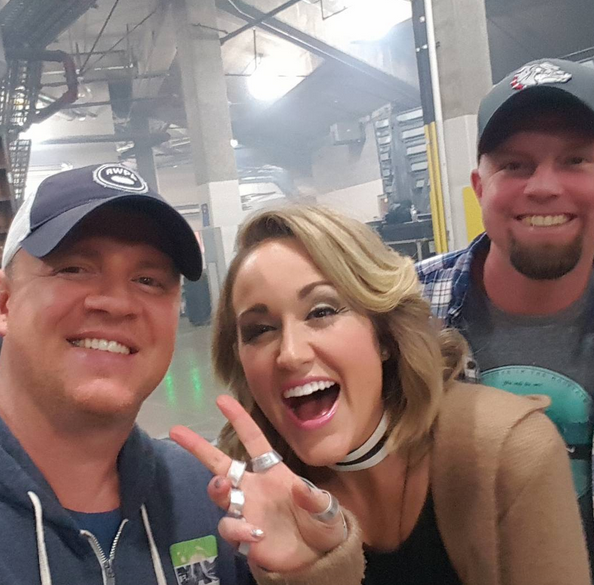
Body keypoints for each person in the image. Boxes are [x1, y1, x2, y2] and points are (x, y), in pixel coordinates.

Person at [171, 205, 590, 585]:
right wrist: (308, 575)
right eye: (260, 330)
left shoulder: (510, 453)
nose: (290, 354)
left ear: (384, 333)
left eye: (321, 312)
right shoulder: (250, 500)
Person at [0, 165, 345, 584]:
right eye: (74, 268)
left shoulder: (208, 499)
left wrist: (309, 575)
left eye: (148, 279)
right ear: (4, 302)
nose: (117, 303)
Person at [416, 58, 594, 566]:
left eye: (575, 160)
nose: (543, 186)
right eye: (514, 165)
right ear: (480, 187)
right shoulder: (405, 309)